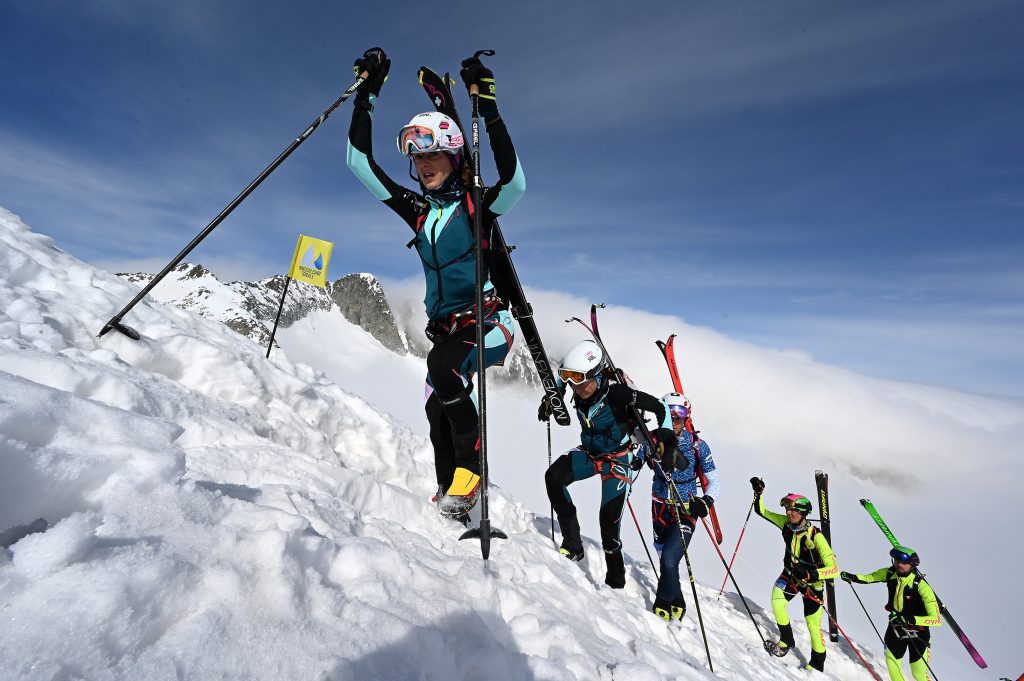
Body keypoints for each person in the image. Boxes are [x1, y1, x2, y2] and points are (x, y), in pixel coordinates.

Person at [346, 48, 525, 519]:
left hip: (488, 322)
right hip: (446, 329)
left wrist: (487, 107)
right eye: (415, 155)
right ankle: (451, 493)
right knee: (435, 411)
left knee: (443, 370)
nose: (421, 163)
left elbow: (517, 182)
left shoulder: (478, 206)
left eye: (431, 154)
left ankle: (472, 469)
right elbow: (359, 164)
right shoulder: (420, 211)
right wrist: (367, 94)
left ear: (452, 155)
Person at [539, 340, 677, 589]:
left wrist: (667, 438)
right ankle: (572, 545)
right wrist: (551, 399)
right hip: (590, 453)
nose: (577, 387)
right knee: (554, 477)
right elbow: (560, 384)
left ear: (596, 374)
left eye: (582, 380)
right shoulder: (576, 384)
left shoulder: (618, 394)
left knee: (608, 524)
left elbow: (661, 408)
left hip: (617, 460)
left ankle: (615, 581)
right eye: (573, 380)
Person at [633, 392, 720, 621]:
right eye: (669, 415)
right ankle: (678, 599)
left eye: (679, 415)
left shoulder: (697, 445)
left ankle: (662, 603)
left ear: (687, 416)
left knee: (669, 560)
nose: (674, 420)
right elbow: (634, 465)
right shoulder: (650, 440)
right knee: (665, 559)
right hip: (659, 507)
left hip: (686, 508)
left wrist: (706, 501)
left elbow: (715, 482)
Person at [750, 477, 839, 673]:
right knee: (777, 602)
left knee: (812, 625)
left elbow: (834, 569)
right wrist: (758, 494)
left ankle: (817, 664)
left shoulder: (816, 536)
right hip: (789, 576)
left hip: (812, 585)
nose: (789, 513)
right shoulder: (785, 524)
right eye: (787, 510)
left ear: (804, 513)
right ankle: (786, 640)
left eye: (793, 510)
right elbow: (762, 511)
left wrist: (810, 573)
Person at [841, 547, 941, 681]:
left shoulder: (922, 586)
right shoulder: (889, 573)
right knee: (892, 664)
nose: (898, 564)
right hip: (895, 628)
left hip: (918, 633)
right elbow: (869, 577)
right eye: (896, 560)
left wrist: (909, 619)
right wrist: (853, 577)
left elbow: (936, 620)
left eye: (903, 562)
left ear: (912, 565)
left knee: (919, 675)